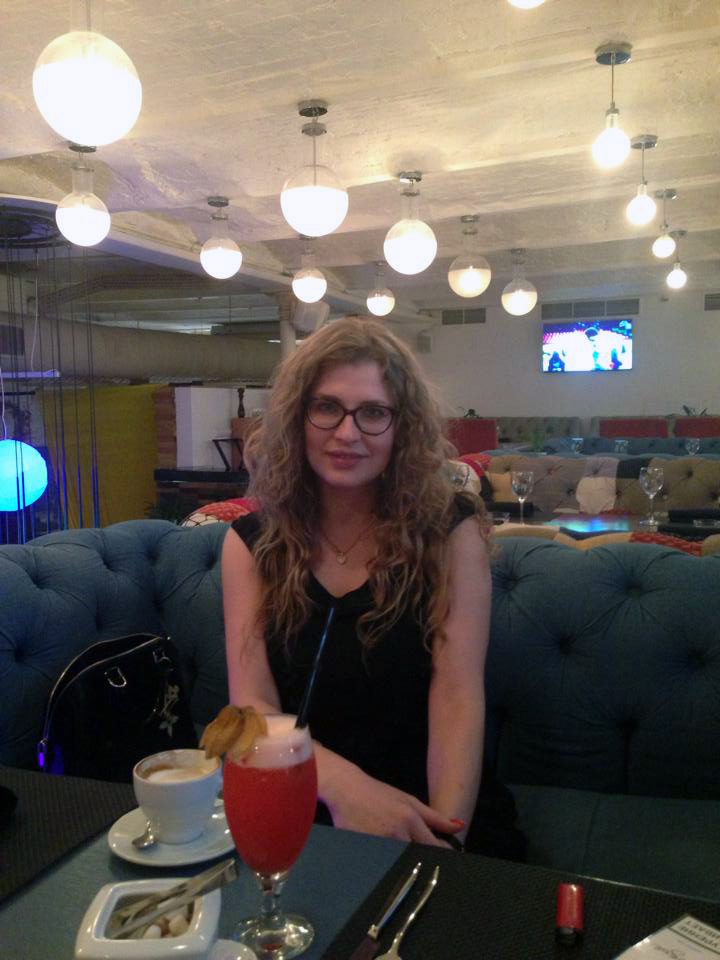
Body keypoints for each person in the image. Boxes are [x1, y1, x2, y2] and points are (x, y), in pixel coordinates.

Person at [222, 318, 513, 854]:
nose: (347, 433)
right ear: (297, 417)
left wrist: (444, 839)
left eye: (374, 412)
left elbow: (456, 695)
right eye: (327, 407)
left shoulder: (451, 532)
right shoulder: (250, 544)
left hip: (431, 803)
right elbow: (253, 708)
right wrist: (346, 788)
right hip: (303, 795)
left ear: (403, 428)